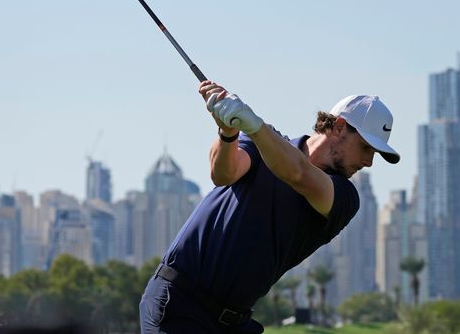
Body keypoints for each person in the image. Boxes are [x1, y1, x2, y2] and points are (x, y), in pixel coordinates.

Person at [139, 80, 400, 333]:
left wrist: (253, 124)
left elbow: (299, 173)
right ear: (340, 127)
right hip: (179, 303)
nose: (368, 162)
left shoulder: (345, 196)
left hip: (234, 321)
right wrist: (228, 132)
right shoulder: (263, 142)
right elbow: (223, 174)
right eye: (365, 148)